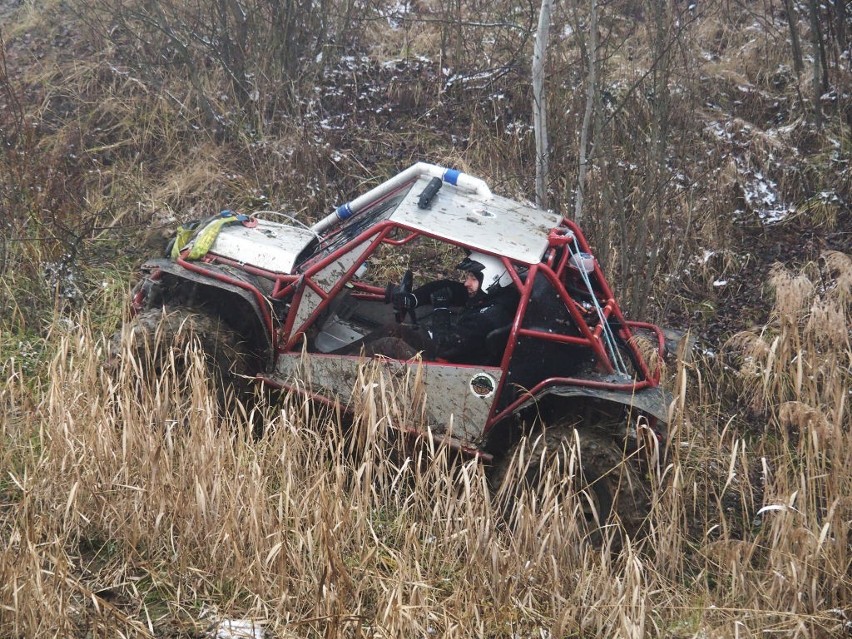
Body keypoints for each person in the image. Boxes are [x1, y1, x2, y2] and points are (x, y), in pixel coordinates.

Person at [380, 252, 519, 364]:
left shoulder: (486, 318)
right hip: (458, 354)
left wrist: (440, 310)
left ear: (491, 280)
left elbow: (443, 347)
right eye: (467, 277)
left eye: (473, 278)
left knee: (388, 343)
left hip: (449, 365)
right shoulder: (496, 296)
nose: (466, 283)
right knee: (393, 330)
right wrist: (414, 299)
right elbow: (448, 288)